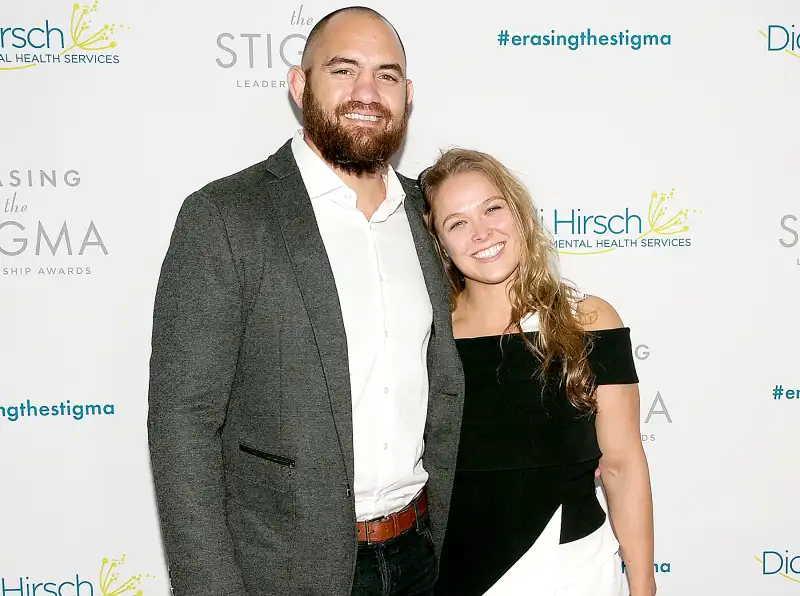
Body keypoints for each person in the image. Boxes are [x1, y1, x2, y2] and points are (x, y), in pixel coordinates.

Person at [146, 7, 464, 596]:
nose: (367, 92)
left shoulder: (430, 216)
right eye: (344, 69)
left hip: (424, 555)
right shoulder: (225, 217)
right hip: (283, 569)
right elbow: (182, 423)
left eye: (387, 75)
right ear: (300, 85)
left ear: (408, 95)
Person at [419, 149, 656, 596]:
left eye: (492, 208)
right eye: (457, 223)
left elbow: (622, 466)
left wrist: (642, 586)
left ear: (519, 212)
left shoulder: (588, 321)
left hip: (574, 571)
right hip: (455, 574)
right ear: (440, 244)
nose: (482, 232)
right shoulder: (428, 337)